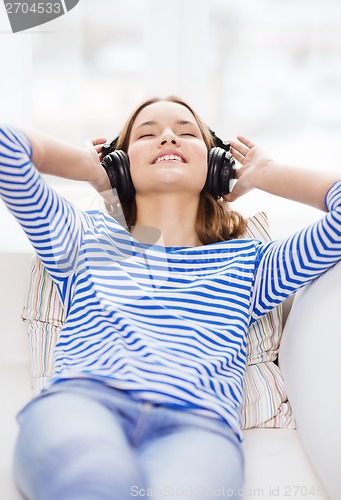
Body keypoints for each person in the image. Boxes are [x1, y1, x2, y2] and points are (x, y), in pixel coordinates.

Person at [0, 95, 340, 500]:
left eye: (186, 133)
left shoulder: (252, 262)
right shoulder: (81, 238)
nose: (166, 138)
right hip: (84, 403)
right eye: (146, 134)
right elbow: (8, 147)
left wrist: (266, 173)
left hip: (199, 427)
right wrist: (88, 169)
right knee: (93, 484)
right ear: (120, 166)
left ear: (216, 165)